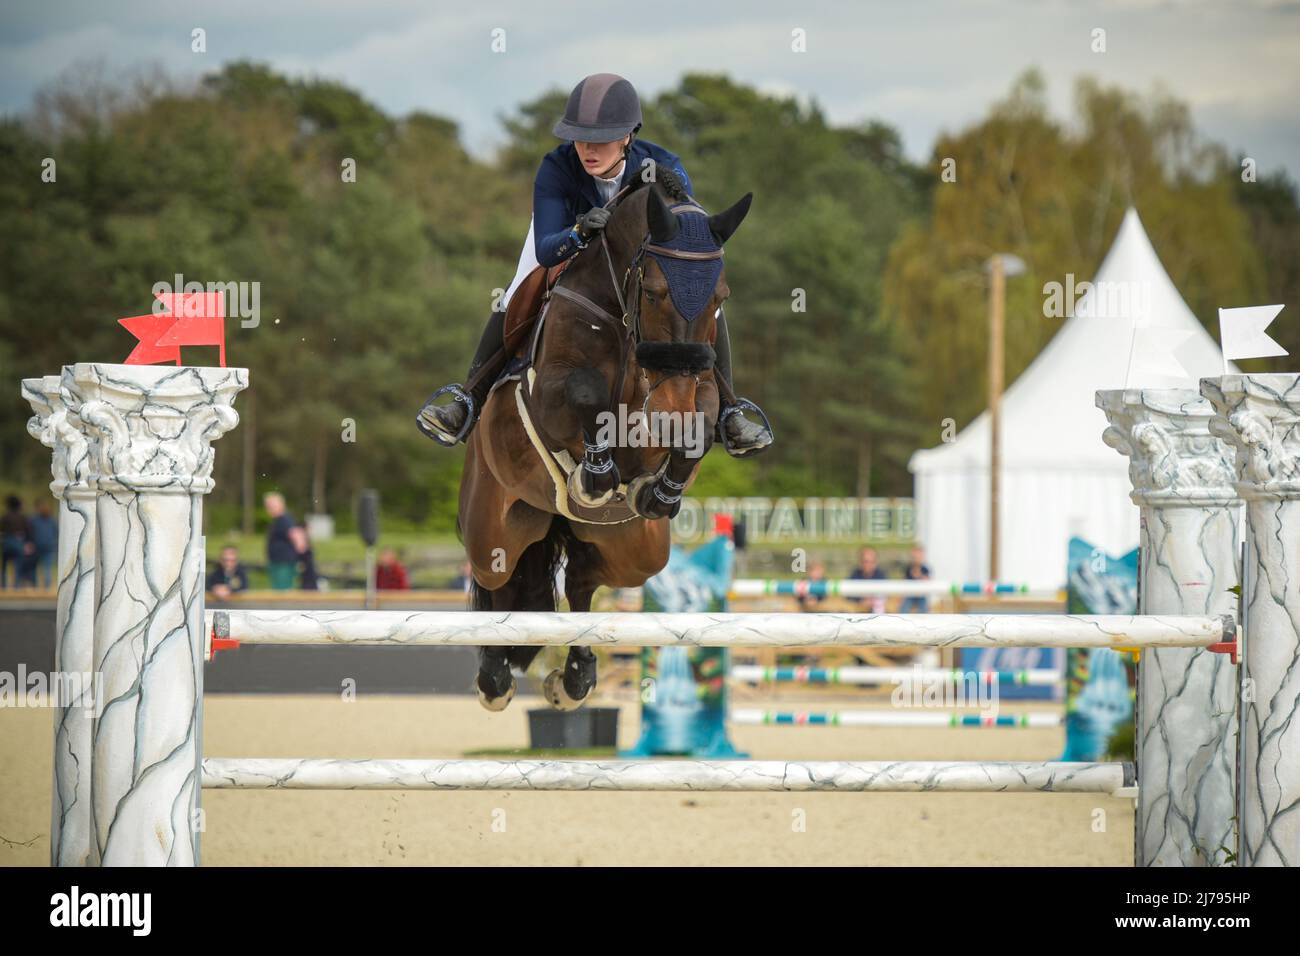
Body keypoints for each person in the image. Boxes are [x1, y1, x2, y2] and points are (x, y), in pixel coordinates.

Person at [416, 72, 772, 458]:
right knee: (518, 288)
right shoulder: (556, 167)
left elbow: (684, 234)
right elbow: (549, 248)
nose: (587, 148)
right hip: (567, 238)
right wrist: (578, 233)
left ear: (627, 136)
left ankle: (730, 408)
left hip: (636, 254)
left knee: (703, 300)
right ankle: (469, 397)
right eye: (579, 136)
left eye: (600, 139)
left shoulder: (665, 164)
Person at [263, 493, 303, 590]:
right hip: (277, 562)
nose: (270, 509)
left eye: (273, 506)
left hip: (283, 563)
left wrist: (302, 557)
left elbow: (297, 536)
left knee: (282, 591)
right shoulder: (277, 520)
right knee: (278, 590)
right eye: (268, 506)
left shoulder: (284, 519)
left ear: (282, 505)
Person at [1, 496, 31, 589]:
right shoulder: (22, 517)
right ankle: (16, 586)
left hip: (6, 541)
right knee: (18, 565)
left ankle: (4, 586)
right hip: (18, 541)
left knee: (4, 565)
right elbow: (28, 531)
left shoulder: (5, 517)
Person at [28, 500, 58, 589]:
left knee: (34, 568)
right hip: (49, 547)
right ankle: (47, 588)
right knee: (47, 568)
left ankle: (35, 586)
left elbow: (30, 533)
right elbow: (57, 533)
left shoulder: (34, 520)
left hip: (37, 546)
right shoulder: (52, 521)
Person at [848, 546, 887, 613]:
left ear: (876, 562)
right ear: (860, 562)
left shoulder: (881, 576)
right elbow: (848, 595)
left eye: (872, 561)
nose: (868, 564)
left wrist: (871, 601)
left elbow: (885, 595)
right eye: (865, 561)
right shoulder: (855, 575)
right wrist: (860, 601)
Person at [900, 544, 932, 614]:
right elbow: (904, 580)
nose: (917, 559)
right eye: (915, 557)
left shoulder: (925, 569)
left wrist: (920, 575)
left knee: (924, 609)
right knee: (904, 608)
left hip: (921, 594)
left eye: (919, 556)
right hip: (910, 594)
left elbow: (928, 580)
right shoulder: (908, 568)